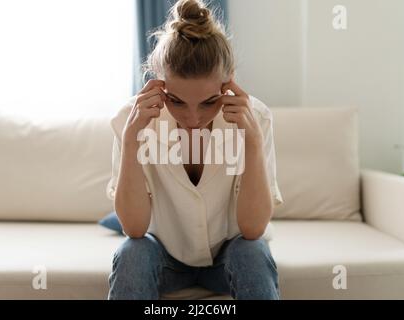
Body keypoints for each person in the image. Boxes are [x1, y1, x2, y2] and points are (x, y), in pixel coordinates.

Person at [106, 0, 284, 300]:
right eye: (175, 101)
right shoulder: (131, 120)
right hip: (164, 259)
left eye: (208, 102)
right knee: (132, 251)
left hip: (229, 258)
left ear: (229, 83)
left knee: (251, 251)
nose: (192, 120)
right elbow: (135, 228)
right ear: (157, 84)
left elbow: (253, 229)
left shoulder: (257, 118)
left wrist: (251, 143)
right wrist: (130, 140)